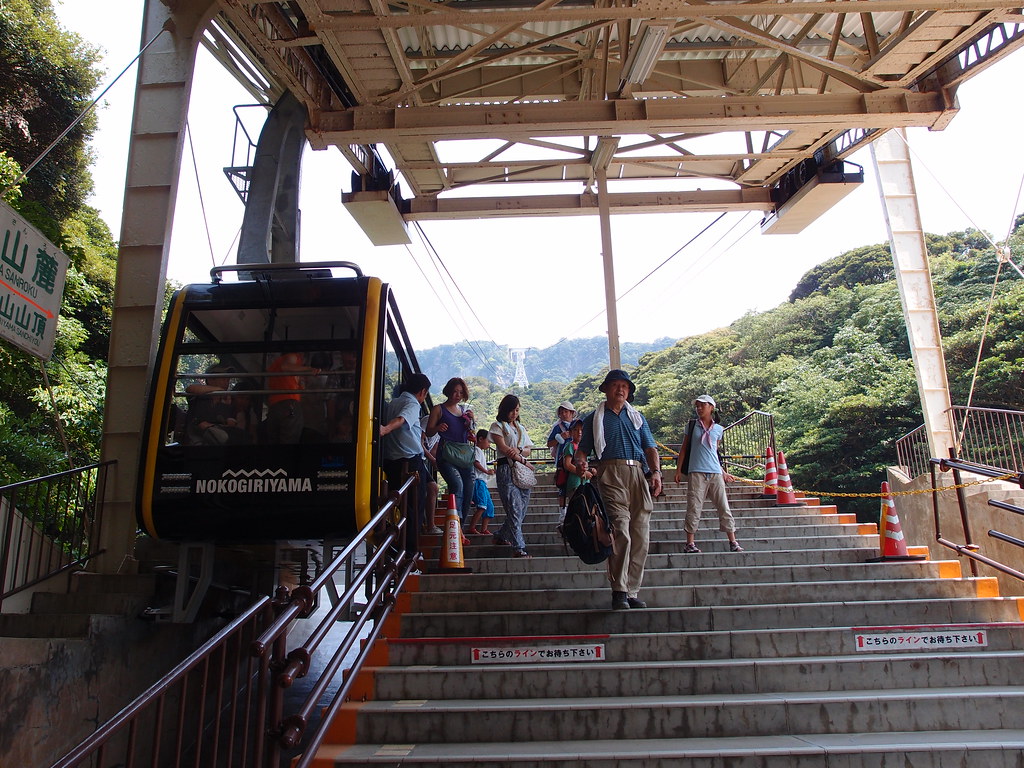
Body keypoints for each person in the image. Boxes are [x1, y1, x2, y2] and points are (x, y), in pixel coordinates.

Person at [575, 369, 662, 610]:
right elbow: (583, 449)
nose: (621, 389)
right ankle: (619, 590)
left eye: (625, 386)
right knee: (621, 530)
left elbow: (650, 448)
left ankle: (632, 590)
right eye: (615, 385)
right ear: (606, 389)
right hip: (609, 473)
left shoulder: (637, 417)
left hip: (637, 474)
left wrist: (655, 473)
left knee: (641, 536)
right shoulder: (595, 418)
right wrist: (581, 462)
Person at [673, 394, 743, 553]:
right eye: (697, 406)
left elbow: (714, 452)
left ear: (711, 407)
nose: (698, 408)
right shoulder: (691, 426)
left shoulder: (719, 429)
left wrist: (723, 472)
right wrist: (678, 470)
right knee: (694, 507)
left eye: (702, 405)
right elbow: (683, 449)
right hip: (696, 472)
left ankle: (733, 541)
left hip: (715, 473)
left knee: (723, 506)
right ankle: (690, 543)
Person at [380, 373, 434, 551]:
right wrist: (386, 429)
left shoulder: (393, 402)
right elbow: (402, 419)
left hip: (391, 461)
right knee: (414, 508)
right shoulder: (411, 403)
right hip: (409, 462)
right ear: (422, 392)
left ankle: (399, 545)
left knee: (401, 504)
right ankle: (411, 552)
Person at [489, 394, 535, 558]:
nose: (514, 413)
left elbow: (529, 448)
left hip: (521, 472)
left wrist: (521, 452)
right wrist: (524, 460)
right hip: (506, 470)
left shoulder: (520, 428)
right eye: (511, 410)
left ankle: (501, 535)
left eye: (516, 410)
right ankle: (519, 547)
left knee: (521, 509)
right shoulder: (497, 426)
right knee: (514, 508)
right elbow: (503, 449)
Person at [426, 377, 476, 524]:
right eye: (455, 391)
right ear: (448, 391)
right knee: (457, 485)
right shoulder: (438, 409)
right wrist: (437, 428)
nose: (457, 395)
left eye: (461, 392)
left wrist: (471, 421)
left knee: (469, 489)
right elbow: (428, 432)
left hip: (464, 455)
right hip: (446, 454)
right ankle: (455, 525)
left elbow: (471, 433)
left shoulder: (464, 411)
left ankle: (460, 525)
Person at [185, 365, 247, 445]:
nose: (226, 382)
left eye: (228, 379)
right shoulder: (199, 397)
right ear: (210, 379)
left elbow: (231, 424)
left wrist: (211, 426)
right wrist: (219, 390)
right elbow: (190, 389)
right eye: (223, 378)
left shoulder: (229, 401)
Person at [265, 352, 319, 444]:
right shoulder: (293, 356)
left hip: (274, 405)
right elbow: (285, 367)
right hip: (289, 403)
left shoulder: (286, 368)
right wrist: (308, 369)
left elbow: (301, 386)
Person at [546, 401, 576, 518]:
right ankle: (563, 513)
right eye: (561, 412)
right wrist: (560, 438)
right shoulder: (558, 427)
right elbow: (549, 443)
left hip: (576, 458)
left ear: (572, 413)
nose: (564, 414)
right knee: (562, 485)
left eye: (566, 411)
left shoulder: (577, 425)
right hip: (562, 460)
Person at [467, 428, 496, 535]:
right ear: (480, 439)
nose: (489, 444)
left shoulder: (479, 451)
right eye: (488, 441)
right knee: (482, 505)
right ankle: (472, 527)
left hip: (483, 482)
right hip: (478, 481)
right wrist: (487, 471)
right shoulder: (477, 450)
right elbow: (476, 463)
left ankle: (484, 529)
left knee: (489, 507)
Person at [560, 419, 596, 501]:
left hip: (585, 483)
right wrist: (583, 473)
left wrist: (591, 470)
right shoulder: (570, 446)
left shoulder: (583, 447)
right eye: (576, 430)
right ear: (571, 432)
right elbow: (567, 464)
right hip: (574, 483)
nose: (579, 432)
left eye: (582, 430)